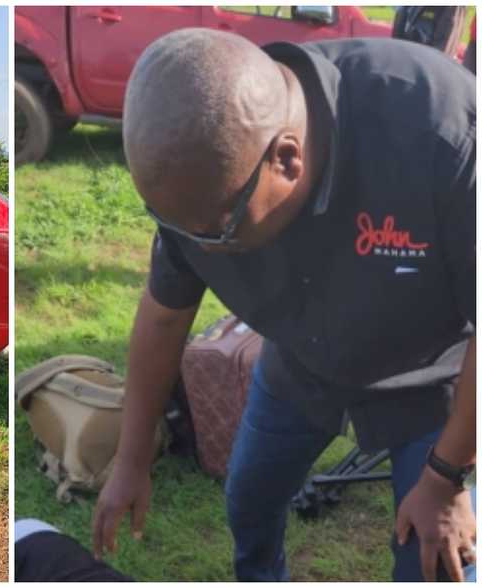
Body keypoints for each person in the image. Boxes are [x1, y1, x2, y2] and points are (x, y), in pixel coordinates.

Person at [91, 29, 476, 582]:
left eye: (217, 234)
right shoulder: (198, 188)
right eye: (176, 226)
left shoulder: (445, 131)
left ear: (287, 160)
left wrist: (445, 478)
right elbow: (164, 315)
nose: (200, 250)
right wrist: (130, 460)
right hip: (301, 363)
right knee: (248, 501)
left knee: (435, 561)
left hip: (431, 381)